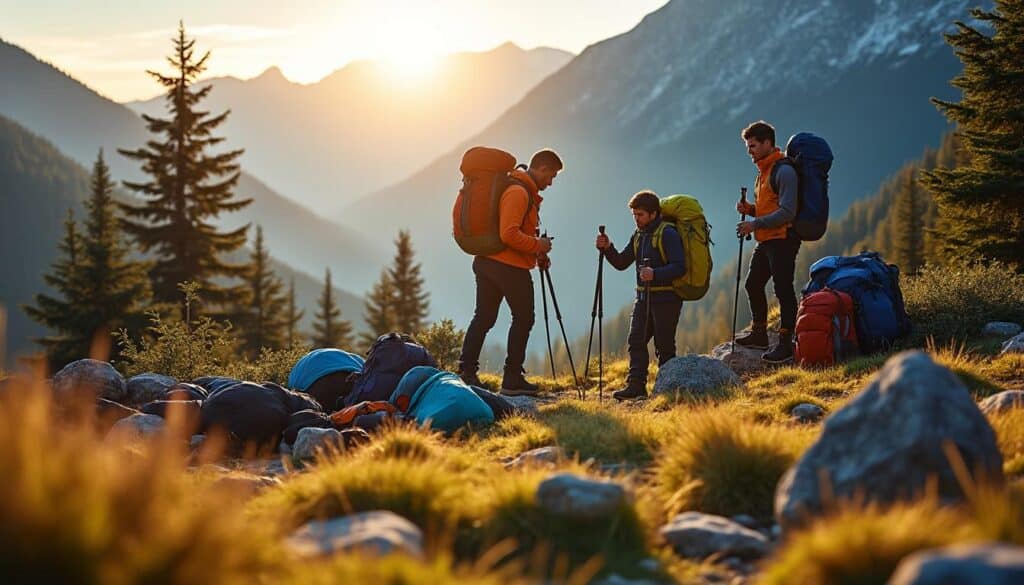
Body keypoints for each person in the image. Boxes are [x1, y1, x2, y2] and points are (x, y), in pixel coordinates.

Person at [457, 149, 563, 396]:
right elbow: (509, 233)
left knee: (484, 317)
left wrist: (537, 254)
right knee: (524, 318)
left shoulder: (518, 188)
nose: (551, 182)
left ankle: (467, 372)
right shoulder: (518, 192)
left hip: (487, 262)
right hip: (508, 267)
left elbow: (514, 232)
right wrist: (539, 245)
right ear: (542, 168)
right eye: (552, 175)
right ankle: (512, 378)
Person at [596, 191, 686, 401]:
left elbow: (680, 267)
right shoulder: (638, 235)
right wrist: (608, 248)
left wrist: (655, 274)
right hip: (643, 299)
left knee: (664, 346)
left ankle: (667, 388)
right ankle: (636, 386)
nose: (636, 219)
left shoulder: (668, 234)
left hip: (667, 300)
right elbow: (620, 262)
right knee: (636, 340)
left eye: (641, 215)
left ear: (653, 214)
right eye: (634, 215)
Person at [735, 120, 801, 363]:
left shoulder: (783, 171)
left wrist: (754, 224)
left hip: (783, 240)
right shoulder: (763, 172)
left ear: (767, 143)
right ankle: (759, 334)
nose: (749, 151)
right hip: (767, 239)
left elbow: (787, 212)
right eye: (748, 146)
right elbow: (768, 208)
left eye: (752, 146)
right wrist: (751, 210)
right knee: (753, 284)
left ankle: (786, 343)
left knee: (783, 289)